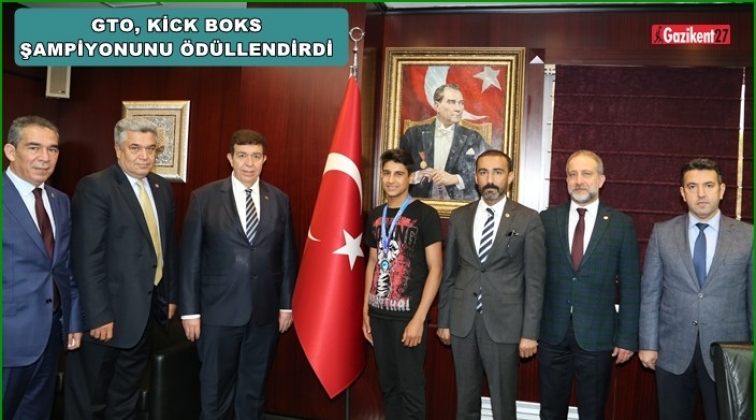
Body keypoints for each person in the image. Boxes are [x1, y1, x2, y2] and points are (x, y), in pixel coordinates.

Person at [179, 129, 298, 420]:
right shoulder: (204, 198)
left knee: (253, 393)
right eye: (242, 156)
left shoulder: (279, 199)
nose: (249, 163)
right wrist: (190, 312)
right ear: (230, 158)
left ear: (264, 160)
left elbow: (287, 257)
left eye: (256, 156)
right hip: (218, 312)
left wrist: (286, 305)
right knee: (215, 393)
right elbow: (190, 259)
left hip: (264, 314)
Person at [65, 117, 178, 419]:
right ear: (118, 150)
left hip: (144, 315)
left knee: (124, 400)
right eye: (135, 148)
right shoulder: (96, 187)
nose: (144, 156)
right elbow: (87, 257)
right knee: (90, 402)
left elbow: (166, 248)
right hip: (106, 318)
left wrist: (169, 296)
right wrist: (99, 315)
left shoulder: (161, 187)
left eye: (151, 149)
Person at [639, 158, 752, 420]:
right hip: (672, 352)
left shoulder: (748, 236)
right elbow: (650, 294)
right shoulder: (663, 233)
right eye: (692, 187)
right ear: (682, 193)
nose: (701, 193)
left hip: (729, 354)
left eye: (708, 185)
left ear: (721, 190)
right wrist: (647, 344)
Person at [437, 149, 545, 420]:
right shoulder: (459, 217)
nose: (490, 180)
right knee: (465, 399)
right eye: (483, 172)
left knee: (503, 402)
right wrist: (444, 321)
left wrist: (530, 333)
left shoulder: (528, 219)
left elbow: (534, 281)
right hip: (462, 321)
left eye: (497, 172)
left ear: (510, 177)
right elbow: (449, 273)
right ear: (475, 177)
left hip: (505, 324)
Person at [538, 150, 640, 420]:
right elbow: (534, 278)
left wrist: (627, 337)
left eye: (586, 174)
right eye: (572, 174)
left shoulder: (621, 225)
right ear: (566, 180)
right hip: (551, 333)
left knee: (593, 412)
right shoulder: (547, 220)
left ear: (601, 179)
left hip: (598, 335)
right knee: (550, 411)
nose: (579, 180)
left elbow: (631, 286)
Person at [2, 116, 83, 420]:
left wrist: (73, 321)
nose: (45, 157)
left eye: (53, 149)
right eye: (34, 147)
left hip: (49, 337)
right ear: (11, 151)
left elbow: (65, 267)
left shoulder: (59, 200)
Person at [362, 148, 443, 420]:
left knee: (411, 390)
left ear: (410, 178)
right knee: (389, 387)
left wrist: (419, 319)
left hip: (408, 316)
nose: (391, 180)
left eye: (398, 174)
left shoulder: (425, 214)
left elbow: (436, 270)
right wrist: (365, 310)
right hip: (378, 314)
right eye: (387, 173)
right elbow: (372, 262)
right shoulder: (375, 214)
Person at [399, 83, 490, 201]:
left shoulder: (473, 137)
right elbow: (395, 168)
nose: (458, 108)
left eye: (461, 103)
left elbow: (489, 170)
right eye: (451, 102)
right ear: (437, 106)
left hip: (461, 205)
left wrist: (456, 179)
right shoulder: (413, 135)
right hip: (418, 204)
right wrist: (415, 176)